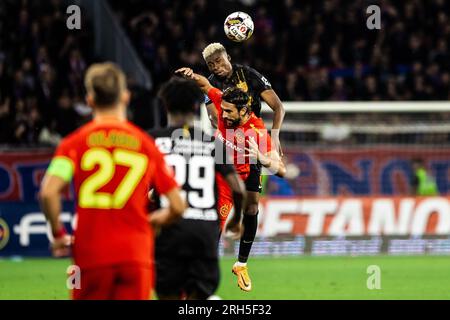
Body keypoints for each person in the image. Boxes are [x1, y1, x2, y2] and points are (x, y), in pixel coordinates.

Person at [39, 62, 185, 300]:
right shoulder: (146, 145)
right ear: (126, 96)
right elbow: (177, 205)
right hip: (136, 255)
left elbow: (48, 192)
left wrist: (58, 234)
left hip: (91, 255)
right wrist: (152, 222)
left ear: (89, 100)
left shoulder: (73, 144)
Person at [176, 67, 286, 292]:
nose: (222, 116)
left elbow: (281, 169)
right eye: (222, 110)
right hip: (225, 175)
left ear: (244, 111)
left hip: (248, 171)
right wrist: (192, 75)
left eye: (228, 112)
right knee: (215, 223)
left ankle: (241, 264)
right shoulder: (223, 102)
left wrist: (262, 158)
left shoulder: (257, 132)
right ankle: (199, 273)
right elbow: (206, 86)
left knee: (252, 209)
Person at [149, 77, 246, 300]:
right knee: (199, 299)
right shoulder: (213, 142)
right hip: (204, 233)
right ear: (196, 106)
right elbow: (238, 189)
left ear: (165, 106)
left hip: (169, 230)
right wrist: (235, 219)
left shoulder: (152, 140)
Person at [202, 43, 285, 156]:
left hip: (252, 138)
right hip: (227, 139)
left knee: (265, 169)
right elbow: (213, 118)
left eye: (218, 61)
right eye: (210, 64)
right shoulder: (210, 83)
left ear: (228, 58)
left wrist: (275, 136)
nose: (215, 67)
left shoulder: (248, 74)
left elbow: (278, 107)